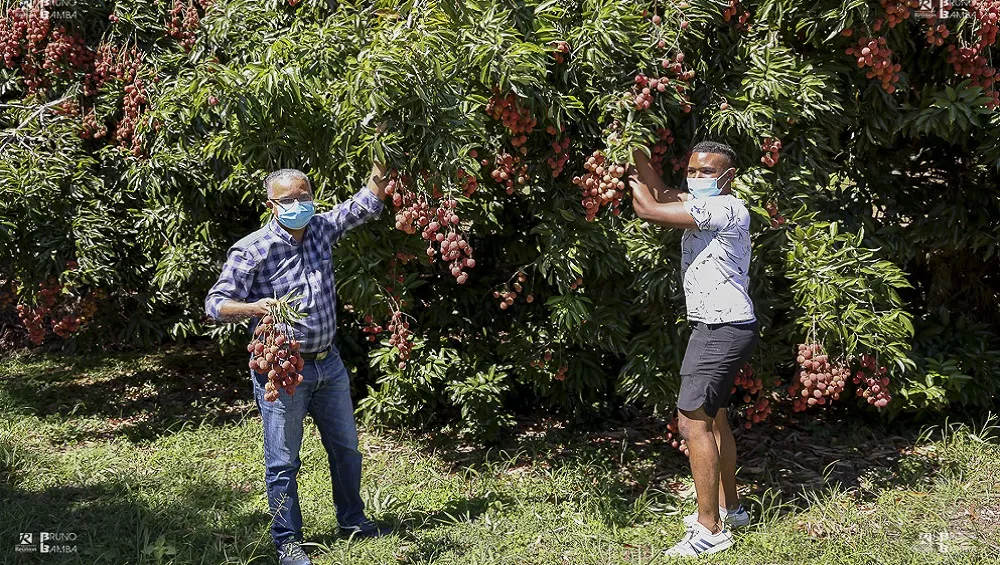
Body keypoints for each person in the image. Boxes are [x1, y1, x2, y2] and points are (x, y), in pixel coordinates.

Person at [205, 163, 392, 565]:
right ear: (271, 206)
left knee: (346, 450)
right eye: (287, 200)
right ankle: (287, 541)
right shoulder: (253, 249)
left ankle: (353, 521)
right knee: (283, 461)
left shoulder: (321, 229)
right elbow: (215, 304)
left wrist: (382, 152)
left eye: (303, 197)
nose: (297, 205)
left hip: (329, 364)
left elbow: (365, 202)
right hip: (283, 370)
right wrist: (254, 307)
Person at [629, 141, 758, 557]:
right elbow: (664, 192)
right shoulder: (705, 204)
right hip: (724, 324)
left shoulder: (725, 208)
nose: (697, 178)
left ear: (728, 177)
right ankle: (731, 509)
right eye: (693, 170)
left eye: (707, 172)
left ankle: (710, 530)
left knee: (691, 424)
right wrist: (635, 152)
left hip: (721, 327)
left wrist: (628, 180)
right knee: (714, 418)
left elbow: (650, 208)